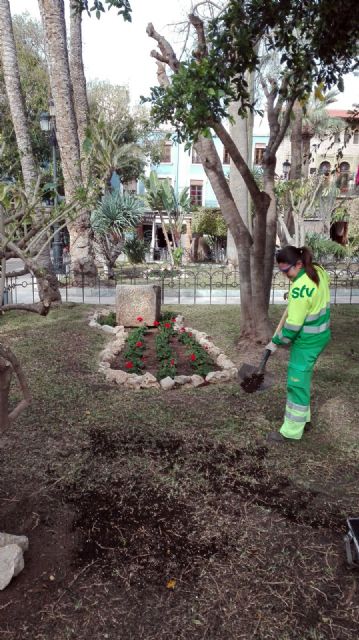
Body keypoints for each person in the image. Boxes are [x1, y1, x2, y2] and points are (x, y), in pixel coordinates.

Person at [266, 246, 331, 444]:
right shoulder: (318, 271)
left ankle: (291, 431)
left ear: (299, 264)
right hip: (321, 336)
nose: (286, 276)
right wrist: (293, 292)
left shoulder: (300, 289)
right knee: (302, 380)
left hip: (307, 343)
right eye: (282, 271)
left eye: (287, 271)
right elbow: (311, 297)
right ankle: (305, 420)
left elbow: (292, 328)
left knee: (295, 384)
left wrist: (276, 341)